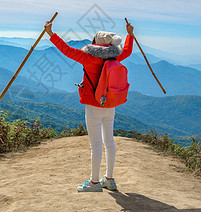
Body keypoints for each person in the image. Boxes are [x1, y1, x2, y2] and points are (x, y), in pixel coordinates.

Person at [44, 20, 134, 192]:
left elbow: (66, 50)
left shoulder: (88, 58)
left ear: (95, 43)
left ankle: (94, 183)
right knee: (109, 142)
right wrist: (129, 34)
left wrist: (50, 33)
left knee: (96, 145)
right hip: (111, 104)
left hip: (93, 106)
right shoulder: (116, 56)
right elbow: (128, 50)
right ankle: (109, 178)